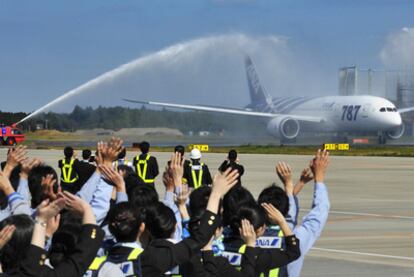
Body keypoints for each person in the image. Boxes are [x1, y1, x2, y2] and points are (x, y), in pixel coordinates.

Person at [257, 149, 330, 277]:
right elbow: (319, 211)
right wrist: (319, 177)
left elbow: (289, 219)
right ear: (285, 211)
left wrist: (292, 186)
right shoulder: (296, 238)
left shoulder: (247, 234)